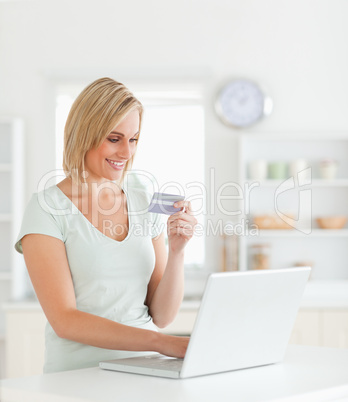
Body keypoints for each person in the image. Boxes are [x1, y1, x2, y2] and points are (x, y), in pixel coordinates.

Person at [14, 77, 197, 373]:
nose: (126, 153)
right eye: (114, 139)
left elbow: (162, 316)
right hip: (79, 376)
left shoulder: (142, 200)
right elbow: (65, 320)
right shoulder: (47, 208)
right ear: (85, 134)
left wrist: (177, 252)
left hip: (145, 370)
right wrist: (162, 343)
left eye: (133, 139)